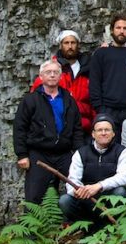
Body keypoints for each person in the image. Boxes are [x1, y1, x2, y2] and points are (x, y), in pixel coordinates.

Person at [14, 60, 85, 204]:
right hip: (39, 153)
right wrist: (22, 154)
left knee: (79, 187)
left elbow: (77, 128)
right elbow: (20, 127)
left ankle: (76, 223)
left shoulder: (69, 100)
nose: (52, 75)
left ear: (60, 77)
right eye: (48, 72)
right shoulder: (31, 100)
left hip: (64, 152)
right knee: (34, 196)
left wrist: (80, 154)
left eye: (56, 72)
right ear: (41, 76)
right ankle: (32, 226)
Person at [59, 115, 126, 229]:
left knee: (120, 192)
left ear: (113, 133)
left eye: (107, 130)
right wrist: (79, 190)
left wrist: (99, 186)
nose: (103, 133)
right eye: (99, 130)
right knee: (65, 200)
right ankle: (85, 227)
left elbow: (124, 177)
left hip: (108, 197)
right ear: (93, 134)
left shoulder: (122, 151)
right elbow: (72, 179)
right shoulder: (81, 153)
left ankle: (109, 226)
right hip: (85, 198)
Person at [90, 13, 126, 137]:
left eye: (125, 28)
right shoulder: (101, 54)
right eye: (118, 28)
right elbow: (94, 83)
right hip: (108, 111)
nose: (121, 31)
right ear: (112, 30)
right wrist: (100, 109)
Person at [30, 29, 96, 133]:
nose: (70, 46)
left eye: (73, 43)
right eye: (66, 43)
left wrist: (95, 124)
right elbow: (34, 100)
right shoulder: (51, 70)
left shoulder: (88, 69)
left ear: (78, 45)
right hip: (57, 127)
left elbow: (94, 100)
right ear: (60, 46)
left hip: (83, 127)